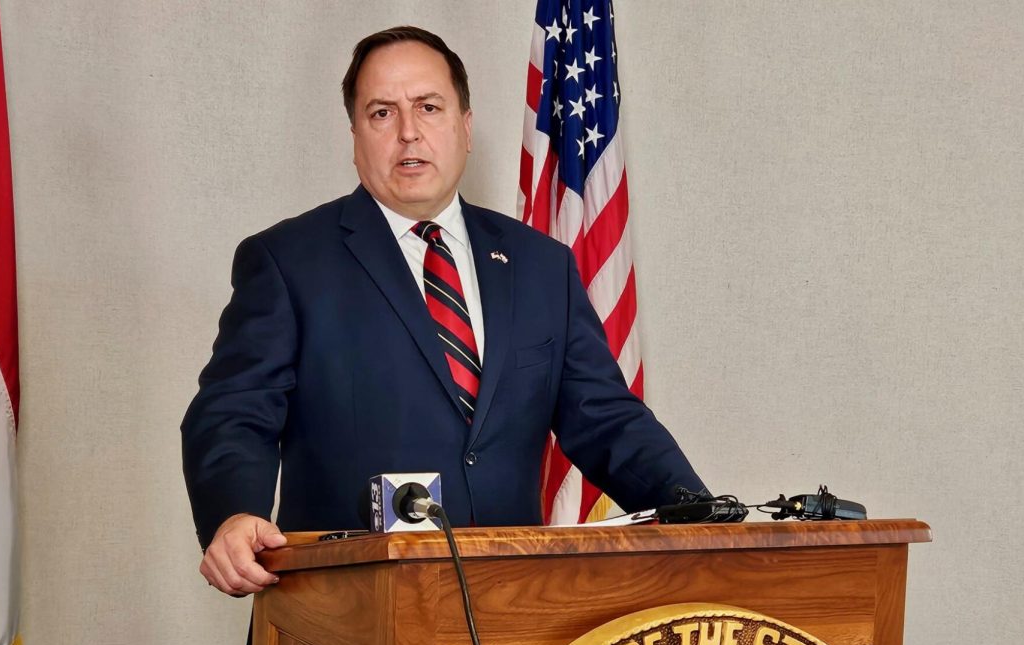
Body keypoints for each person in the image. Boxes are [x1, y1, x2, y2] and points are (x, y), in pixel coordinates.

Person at [182, 26, 708, 598]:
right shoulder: (287, 262)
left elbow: (606, 420)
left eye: (429, 107)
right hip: (346, 622)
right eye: (382, 113)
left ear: (465, 126)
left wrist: (704, 517)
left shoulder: (541, 266)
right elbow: (233, 412)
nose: (409, 132)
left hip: (517, 615)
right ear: (355, 134)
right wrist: (234, 515)